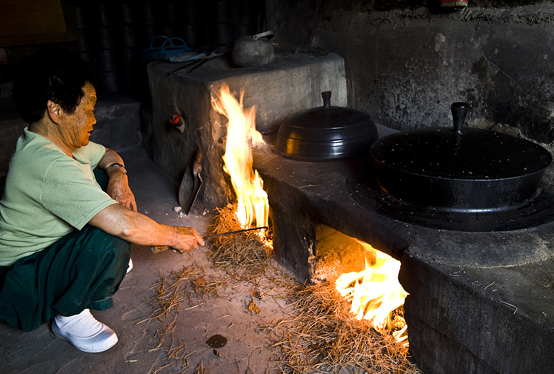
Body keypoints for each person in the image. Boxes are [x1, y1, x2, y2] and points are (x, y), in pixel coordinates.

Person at [0, 48, 204, 353]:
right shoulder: (44, 163)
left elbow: (107, 155)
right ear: (56, 111)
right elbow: (122, 226)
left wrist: (117, 176)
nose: (94, 119)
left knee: (100, 184)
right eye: (89, 108)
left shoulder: (60, 142)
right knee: (113, 237)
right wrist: (173, 235)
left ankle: (96, 268)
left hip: (47, 255)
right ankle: (69, 316)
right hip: (21, 283)